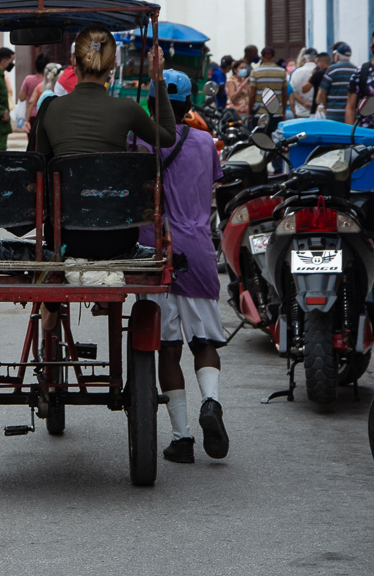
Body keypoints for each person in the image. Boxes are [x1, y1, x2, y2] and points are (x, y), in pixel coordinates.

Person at [33, 31, 176, 360]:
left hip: (65, 239)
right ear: (112, 66)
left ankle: (49, 308)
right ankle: (102, 300)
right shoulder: (127, 108)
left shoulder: (51, 110)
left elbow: (39, 167)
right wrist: (157, 80)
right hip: (118, 238)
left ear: (74, 62)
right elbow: (167, 136)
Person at [132, 69, 229, 465]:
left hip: (154, 252)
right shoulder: (205, 142)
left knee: (168, 351)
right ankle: (211, 402)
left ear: (151, 105)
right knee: (204, 343)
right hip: (198, 251)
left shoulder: (136, 142)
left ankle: (182, 438)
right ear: (189, 104)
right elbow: (212, 188)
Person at [318, 42, 356, 121]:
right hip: (350, 117)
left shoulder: (332, 70)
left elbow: (322, 92)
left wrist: (326, 107)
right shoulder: (355, 70)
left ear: (337, 56)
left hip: (333, 115)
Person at [247, 46, 287, 111]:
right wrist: (283, 112)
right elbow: (284, 94)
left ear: (261, 58)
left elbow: (252, 94)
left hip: (260, 112)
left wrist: (250, 111)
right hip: (277, 111)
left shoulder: (255, 72)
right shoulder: (282, 72)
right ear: (274, 57)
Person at [288, 47, 318, 119]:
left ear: (305, 58)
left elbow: (292, 91)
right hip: (317, 113)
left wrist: (304, 103)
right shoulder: (320, 71)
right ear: (316, 58)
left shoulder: (296, 73)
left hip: (301, 112)